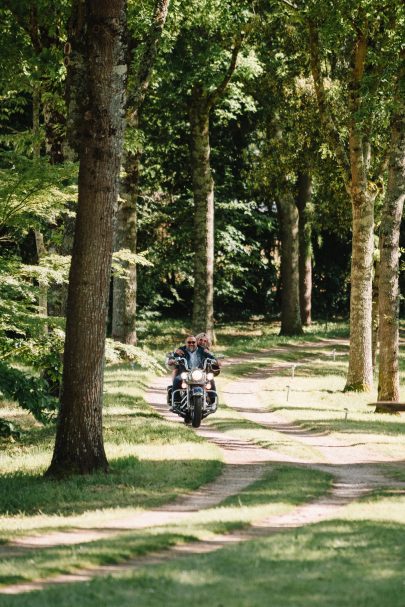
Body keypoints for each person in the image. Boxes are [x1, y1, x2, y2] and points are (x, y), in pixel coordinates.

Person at [167, 335, 219, 410]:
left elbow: (211, 357)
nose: (191, 344)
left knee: (210, 380)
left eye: (193, 342)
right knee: (177, 380)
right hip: (186, 372)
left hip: (200, 373)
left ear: (196, 343)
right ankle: (176, 402)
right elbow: (172, 358)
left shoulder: (202, 350)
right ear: (186, 343)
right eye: (189, 342)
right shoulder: (181, 350)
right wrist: (172, 360)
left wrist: (216, 361)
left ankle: (212, 402)